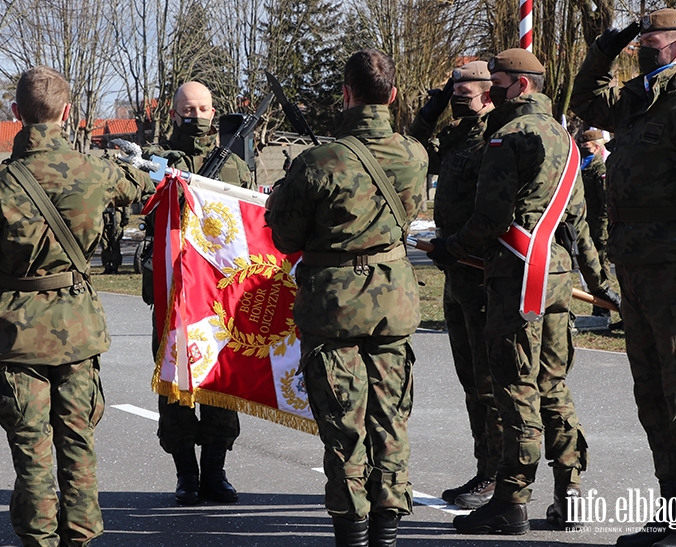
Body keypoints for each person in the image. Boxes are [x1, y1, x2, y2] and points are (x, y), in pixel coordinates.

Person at [0, 66, 153, 546]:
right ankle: (81, 537)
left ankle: (39, 540)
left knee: (31, 452)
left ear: (16, 115)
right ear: (68, 112)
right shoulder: (96, 171)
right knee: (78, 445)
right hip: (77, 332)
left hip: (16, 336)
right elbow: (143, 187)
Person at [428, 48, 619, 535]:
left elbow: (491, 220)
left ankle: (511, 500)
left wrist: (450, 248)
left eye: (498, 81)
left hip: (516, 279)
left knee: (515, 389)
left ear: (521, 86)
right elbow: (576, 225)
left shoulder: (508, 137)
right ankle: (569, 491)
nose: (491, 88)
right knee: (553, 386)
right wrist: (601, 287)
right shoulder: (565, 139)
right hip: (555, 277)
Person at [571, 8, 676, 547]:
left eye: (649, 40)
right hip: (635, 273)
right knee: (650, 393)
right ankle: (670, 507)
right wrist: (604, 51)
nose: (641, 47)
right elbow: (584, 103)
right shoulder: (638, 103)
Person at [265, 49, 428, 547]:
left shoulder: (318, 162)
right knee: (390, 418)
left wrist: (281, 194)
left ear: (347, 94)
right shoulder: (415, 154)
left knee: (343, 425)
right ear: (394, 96)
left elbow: (285, 237)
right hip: (393, 302)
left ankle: (352, 532)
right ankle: (388, 530)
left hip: (333, 306)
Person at [141, 81, 254, 506]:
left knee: (221, 384)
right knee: (176, 385)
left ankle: (216, 472)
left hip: (219, 295)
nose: (197, 116)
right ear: (173, 114)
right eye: (188, 109)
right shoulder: (157, 162)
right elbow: (145, 208)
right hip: (171, 294)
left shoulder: (233, 165)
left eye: (204, 108)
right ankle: (186, 474)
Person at [409, 61, 501, 510]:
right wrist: (433, 107)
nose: (459, 95)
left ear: (489, 93)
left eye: (467, 89)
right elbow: (413, 149)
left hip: (482, 270)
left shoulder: (494, 136)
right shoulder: (456, 134)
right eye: (455, 88)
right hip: (454, 271)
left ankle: (498, 474)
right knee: (470, 379)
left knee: (490, 379)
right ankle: (486, 466)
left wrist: (456, 246)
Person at [577, 128, 612, 317]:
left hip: (598, 228)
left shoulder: (600, 169)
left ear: (598, 147)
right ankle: (598, 310)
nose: (584, 149)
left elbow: (606, 204)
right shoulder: (584, 166)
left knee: (601, 268)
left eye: (587, 147)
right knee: (591, 267)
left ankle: (604, 310)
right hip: (587, 225)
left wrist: (602, 232)